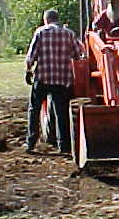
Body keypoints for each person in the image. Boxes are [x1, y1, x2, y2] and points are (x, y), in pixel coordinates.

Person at [25, 9, 83, 154]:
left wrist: (28, 70)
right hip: (62, 79)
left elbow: (31, 55)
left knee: (34, 109)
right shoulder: (69, 34)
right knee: (61, 113)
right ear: (57, 19)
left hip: (43, 77)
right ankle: (63, 146)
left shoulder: (40, 32)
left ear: (46, 20)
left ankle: (31, 143)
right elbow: (77, 55)